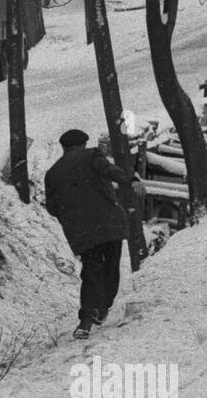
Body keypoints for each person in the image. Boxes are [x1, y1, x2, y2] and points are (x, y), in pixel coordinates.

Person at [43, 129, 143, 340]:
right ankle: (104, 307)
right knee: (111, 266)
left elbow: (52, 207)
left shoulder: (52, 173)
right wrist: (130, 180)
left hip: (82, 231)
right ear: (83, 143)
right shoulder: (92, 156)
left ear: (64, 147)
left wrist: (73, 210)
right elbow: (110, 171)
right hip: (108, 224)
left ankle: (86, 320)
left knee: (91, 271)